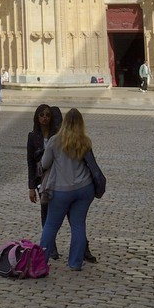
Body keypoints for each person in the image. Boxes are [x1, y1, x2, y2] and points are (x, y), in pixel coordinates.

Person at [39, 108, 97, 271]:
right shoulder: (85, 141)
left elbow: (44, 164)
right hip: (84, 188)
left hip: (61, 189)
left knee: (51, 225)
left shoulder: (55, 141)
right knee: (78, 225)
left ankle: (41, 260)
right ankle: (75, 263)